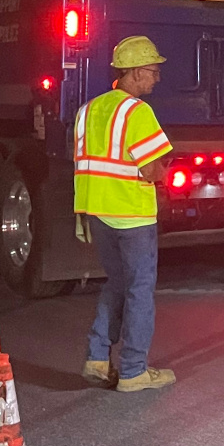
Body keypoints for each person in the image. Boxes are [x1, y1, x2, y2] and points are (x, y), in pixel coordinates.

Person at [74, 35, 177, 391]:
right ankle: (133, 371)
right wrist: (165, 172)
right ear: (133, 73)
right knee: (139, 289)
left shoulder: (88, 110)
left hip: (97, 212)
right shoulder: (137, 112)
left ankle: (98, 358)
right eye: (152, 71)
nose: (156, 78)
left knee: (116, 283)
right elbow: (150, 169)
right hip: (131, 214)